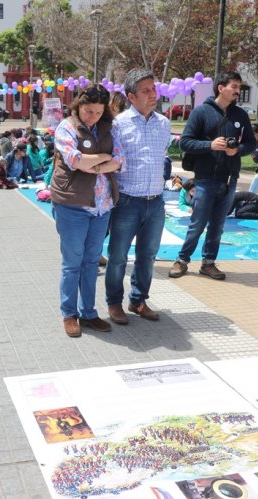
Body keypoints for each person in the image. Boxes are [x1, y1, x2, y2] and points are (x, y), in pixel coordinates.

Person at [51, 83, 123, 337]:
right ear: (79, 105)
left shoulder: (108, 128)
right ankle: (69, 313)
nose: (92, 116)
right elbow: (75, 160)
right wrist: (103, 160)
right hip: (72, 205)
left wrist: (95, 163)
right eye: (88, 110)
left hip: (102, 207)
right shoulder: (66, 127)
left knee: (92, 262)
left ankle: (89, 312)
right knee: (73, 263)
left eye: (98, 111)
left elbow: (119, 159)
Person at [169, 70, 255, 281]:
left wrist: (238, 150)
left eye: (239, 87)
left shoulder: (240, 115)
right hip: (206, 178)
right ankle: (182, 260)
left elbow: (251, 143)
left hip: (229, 179)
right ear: (221, 88)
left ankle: (208, 263)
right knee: (198, 223)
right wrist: (210, 145)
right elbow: (185, 141)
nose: (237, 91)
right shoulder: (201, 112)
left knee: (218, 225)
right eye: (233, 86)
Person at [105, 68, 172, 325]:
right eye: (146, 91)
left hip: (155, 202)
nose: (153, 94)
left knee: (148, 255)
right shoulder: (118, 125)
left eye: (154, 89)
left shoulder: (164, 124)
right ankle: (114, 303)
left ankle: (139, 300)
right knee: (119, 255)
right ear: (131, 97)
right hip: (127, 202)